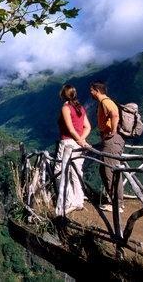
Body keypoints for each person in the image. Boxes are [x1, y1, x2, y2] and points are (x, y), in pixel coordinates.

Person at [55, 84, 91, 214]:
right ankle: (79, 201)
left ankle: (69, 200)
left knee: (59, 172)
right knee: (77, 173)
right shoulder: (80, 108)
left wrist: (78, 140)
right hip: (79, 143)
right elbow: (88, 127)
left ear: (63, 95)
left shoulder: (66, 108)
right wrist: (82, 140)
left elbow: (70, 129)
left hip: (68, 143)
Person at [90, 81, 124, 212]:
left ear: (97, 91)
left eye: (91, 90)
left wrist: (113, 131)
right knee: (105, 170)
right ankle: (115, 200)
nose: (90, 93)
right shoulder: (104, 102)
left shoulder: (105, 102)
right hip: (110, 139)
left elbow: (114, 114)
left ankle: (117, 204)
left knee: (110, 171)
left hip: (112, 140)